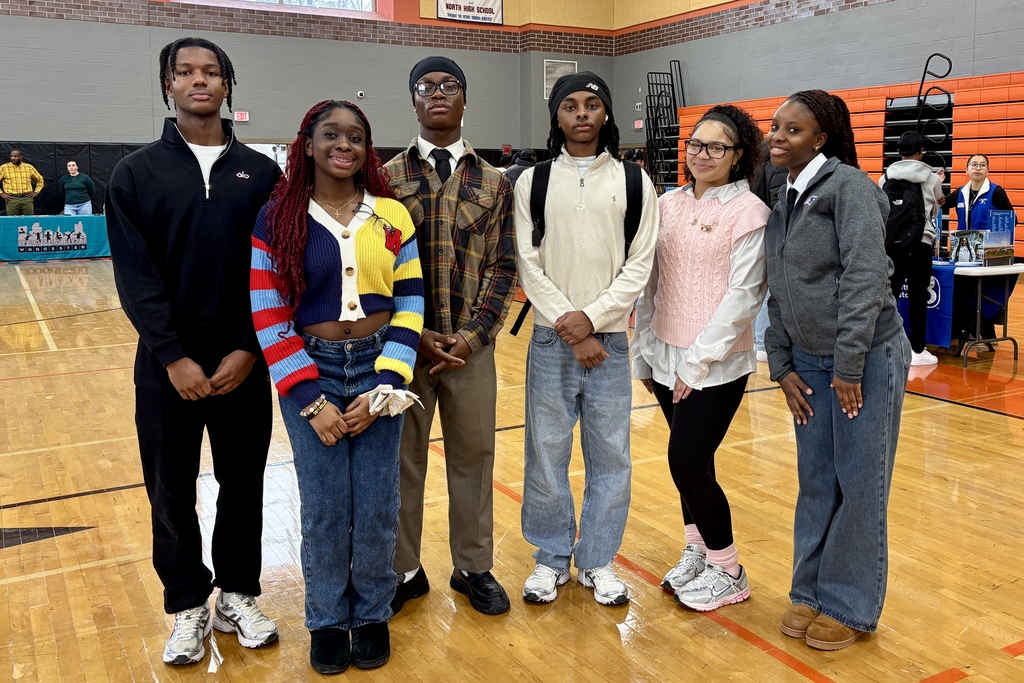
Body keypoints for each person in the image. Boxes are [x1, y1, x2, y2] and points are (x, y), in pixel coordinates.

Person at [105, 37, 281, 666]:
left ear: (227, 86)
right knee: (170, 488)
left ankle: (237, 592)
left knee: (244, 484)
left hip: (242, 361)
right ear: (167, 86)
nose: (198, 81)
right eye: (185, 72)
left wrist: (249, 348)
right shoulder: (135, 172)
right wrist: (172, 355)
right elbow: (135, 274)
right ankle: (185, 603)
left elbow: (273, 270)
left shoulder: (262, 173)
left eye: (211, 72)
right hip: (166, 367)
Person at [251, 100, 423, 673]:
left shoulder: (393, 216)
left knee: (376, 505)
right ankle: (326, 619)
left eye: (355, 135)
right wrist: (309, 399)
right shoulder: (278, 217)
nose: (342, 144)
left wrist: (384, 387)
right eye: (331, 134)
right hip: (311, 367)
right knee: (325, 508)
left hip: (379, 370)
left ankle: (372, 613)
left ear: (366, 148)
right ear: (307, 144)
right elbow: (269, 313)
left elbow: (411, 304)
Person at [765, 89, 909, 651]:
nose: (777, 137)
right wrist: (781, 366)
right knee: (817, 482)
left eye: (793, 131)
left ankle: (849, 605)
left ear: (821, 139)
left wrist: (848, 364)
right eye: (775, 127)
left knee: (859, 482)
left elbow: (867, 278)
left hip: (864, 361)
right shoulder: (785, 194)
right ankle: (810, 591)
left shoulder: (849, 187)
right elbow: (778, 285)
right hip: (806, 364)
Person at [515, 72, 657, 606]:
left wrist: (594, 321)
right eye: (570, 105)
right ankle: (551, 558)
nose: (581, 114)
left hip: (612, 343)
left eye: (591, 104)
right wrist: (570, 327)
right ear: (557, 117)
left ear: (605, 114)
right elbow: (528, 264)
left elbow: (639, 265)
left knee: (611, 455)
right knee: (546, 453)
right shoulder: (534, 181)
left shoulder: (637, 181)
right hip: (552, 340)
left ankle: (597, 559)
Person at [384, 55, 518, 617]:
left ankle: (473, 566)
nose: (438, 93)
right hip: (403, 349)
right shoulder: (385, 178)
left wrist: (470, 336)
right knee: (401, 461)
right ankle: (403, 571)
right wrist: (411, 335)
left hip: (470, 352)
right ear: (413, 101)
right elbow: (375, 267)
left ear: (464, 101)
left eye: (450, 86)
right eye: (426, 86)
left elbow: (504, 267)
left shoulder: (494, 182)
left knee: (473, 458)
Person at [633, 104, 766, 611]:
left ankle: (729, 570)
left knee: (686, 461)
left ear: (738, 155)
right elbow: (652, 284)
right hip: (665, 353)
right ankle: (700, 550)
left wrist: (696, 364)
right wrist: (645, 355)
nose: (702, 154)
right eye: (696, 144)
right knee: (691, 464)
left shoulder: (749, 212)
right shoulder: (667, 205)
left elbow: (744, 296)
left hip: (716, 363)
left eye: (716, 147)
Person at [879, 131, 944, 366]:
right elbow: (934, 212)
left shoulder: (885, 177)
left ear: (899, 152)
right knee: (918, 296)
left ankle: (886, 345)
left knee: (890, 294)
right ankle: (917, 350)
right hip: (921, 243)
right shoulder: (932, 178)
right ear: (921, 151)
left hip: (892, 244)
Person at [750, 136, 788, 363]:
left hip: (756, 231)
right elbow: (780, 206)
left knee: (758, 289)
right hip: (771, 233)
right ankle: (761, 343)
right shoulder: (777, 167)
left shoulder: (756, 168)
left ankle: (755, 341)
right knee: (770, 291)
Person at [0, 149, 44, 216]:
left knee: (28, 220)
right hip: (11, 199)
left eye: (15, 156)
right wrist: (1, 193)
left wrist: (36, 192)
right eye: (11, 156)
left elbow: (40, 180)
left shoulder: (29, 167)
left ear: (21, 157)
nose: (13, 158)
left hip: (27, 198)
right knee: (12, 221)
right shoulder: (4, 168)